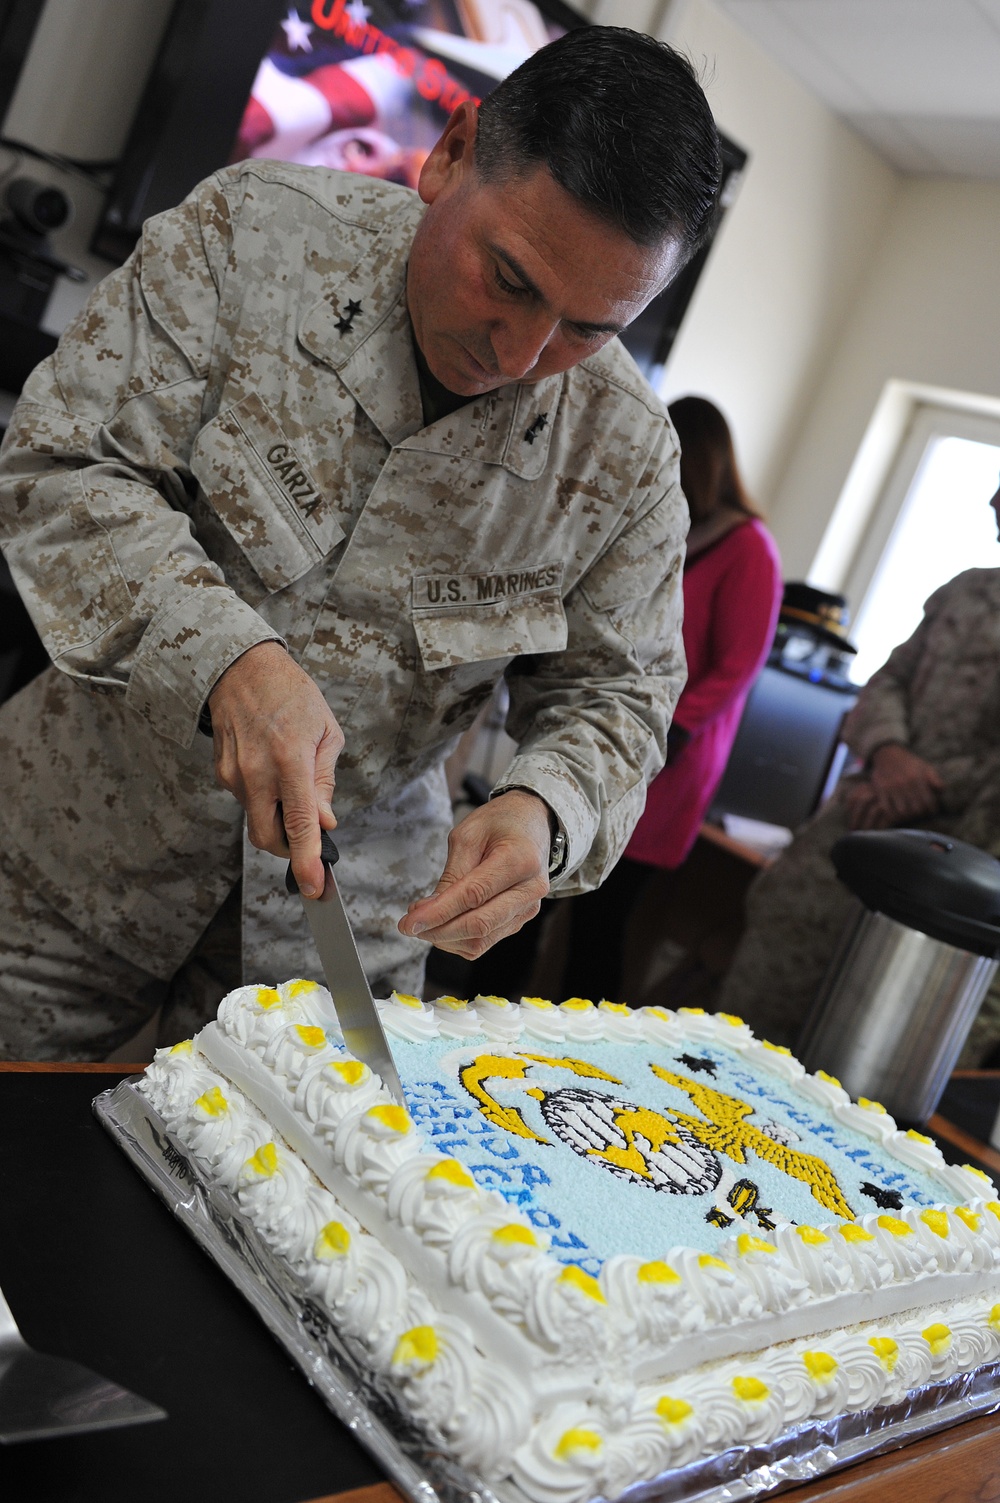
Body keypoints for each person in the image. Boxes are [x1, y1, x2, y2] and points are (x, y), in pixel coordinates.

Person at [0, 27, 721, 1059]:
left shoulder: (627, 456)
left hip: (340, 938)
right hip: (64, 858)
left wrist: (541, 810)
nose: (522, 356)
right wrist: (227, 657)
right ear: (451, 154)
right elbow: (60, 466)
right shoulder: (248, 237)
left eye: (587, 329)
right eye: (509, 279)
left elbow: (617, 699)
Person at [715, 475, 1000, 1058]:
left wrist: (923, 787)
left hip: (960, 888)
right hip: (860, 829)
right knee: (751, 1017)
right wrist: (890, 758)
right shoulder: (968, 592)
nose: (993, 502)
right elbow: (886, 681)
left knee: (872, 1065)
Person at [559, 396, 782, 1004]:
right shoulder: (670, 526)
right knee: (565, 904)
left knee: (604, 916)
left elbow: (740, 664)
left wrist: (670, 728)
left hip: (672, 752)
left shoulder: (750, 549)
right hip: (621, 725)